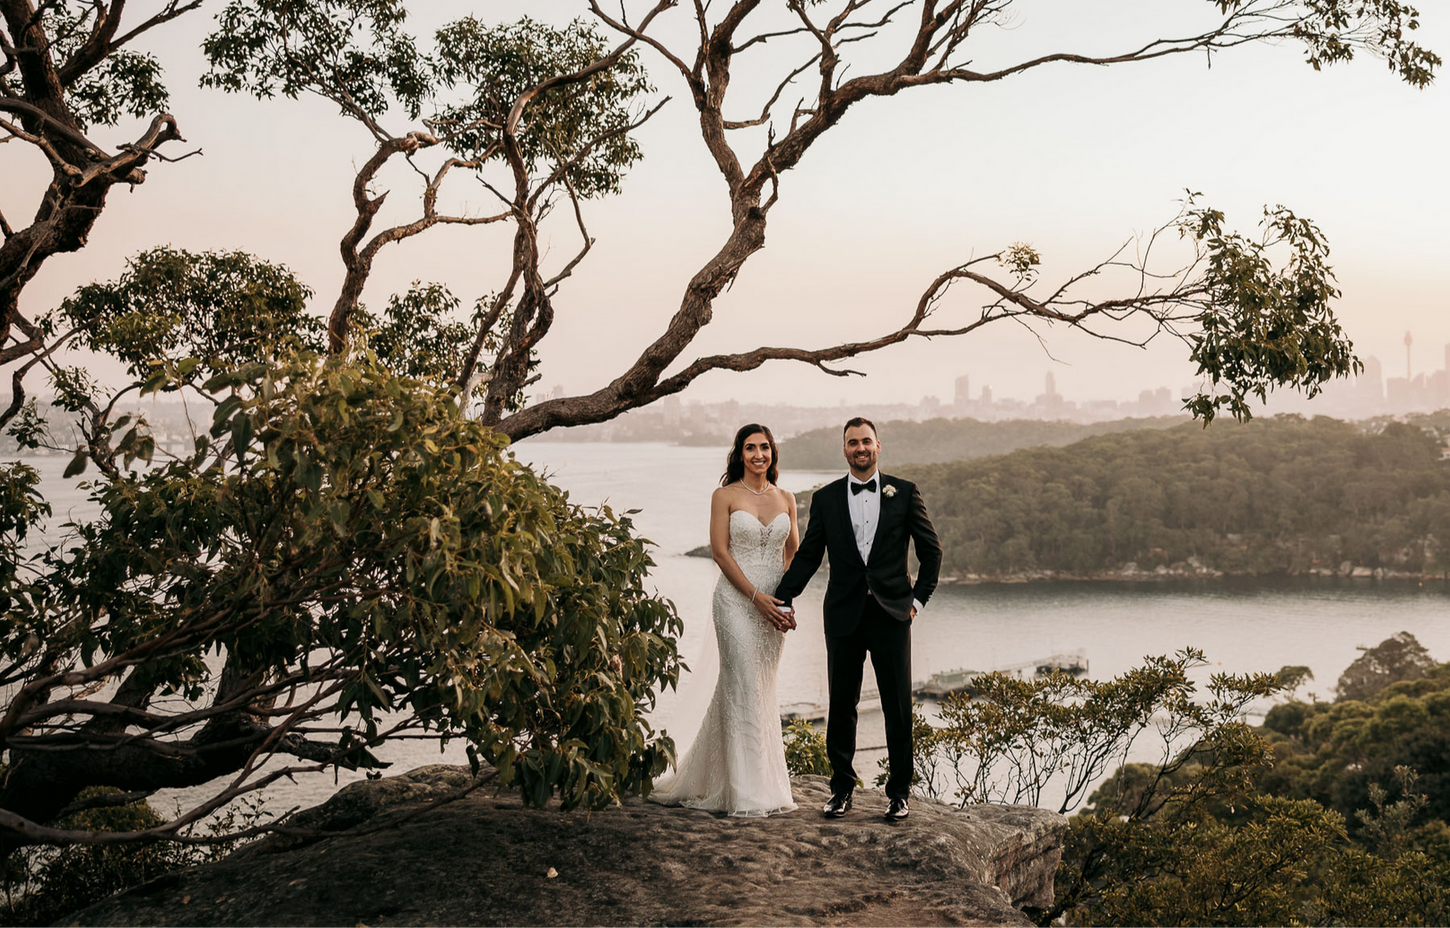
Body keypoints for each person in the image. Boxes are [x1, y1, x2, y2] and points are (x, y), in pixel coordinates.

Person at [774, 417, 941, 822]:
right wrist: (781, 597)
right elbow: (810, 555)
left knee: (897, 707)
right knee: (842, 703)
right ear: (844, 449)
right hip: (843, 615)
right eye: (853, 443)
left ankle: (899, 794)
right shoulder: (826, 498)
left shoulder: (904, 492)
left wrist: (916, 603)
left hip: (892, 616)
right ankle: (841, 790)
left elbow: (931, 551)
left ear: (878, 446)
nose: (860, 448)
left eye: (866, 441)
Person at [650, 423, 800, 816]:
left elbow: (793, 554)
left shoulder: (787, 497)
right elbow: (719, 552)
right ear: (739, 454)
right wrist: (755, 597)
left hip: (774, 607)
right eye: (750, 448)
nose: (758, 455)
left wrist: (784, 602)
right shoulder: (725, 496)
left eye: (764, 447)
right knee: (742, 683)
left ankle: (756, 782)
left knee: (760, 687)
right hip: (735, 602)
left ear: (773, 452)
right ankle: (745, 794)